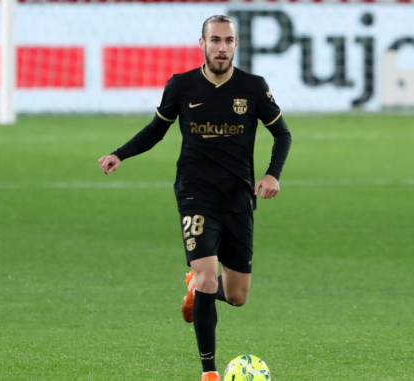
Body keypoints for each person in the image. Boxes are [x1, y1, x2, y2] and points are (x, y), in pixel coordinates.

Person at [98, 15, 291, 381]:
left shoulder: (252, 88)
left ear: (236, 44)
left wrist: (272, 174)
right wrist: (119, 153)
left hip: (237, 199)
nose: (222, 47)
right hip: (195, 194)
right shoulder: (182, 86)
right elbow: (157, 129)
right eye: (215, 40)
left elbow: (282, 134)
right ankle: (209, 372)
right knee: (206, 276)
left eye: (228, 41)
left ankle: (195, 288)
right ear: (201, 44)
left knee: (237, 295)